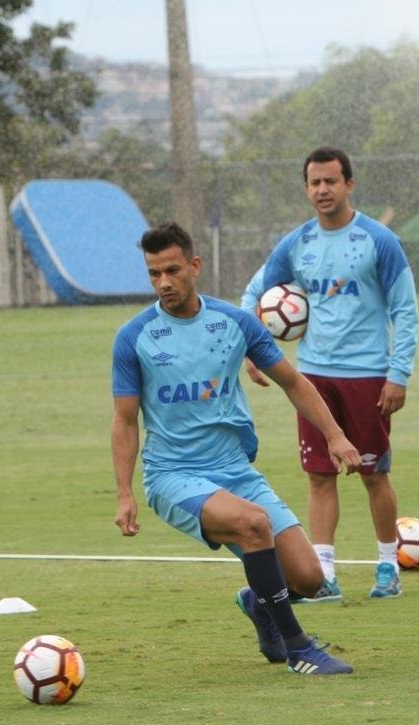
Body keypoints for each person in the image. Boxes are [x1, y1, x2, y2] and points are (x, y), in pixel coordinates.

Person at [112, 222, 358, 675]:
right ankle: (298, 647)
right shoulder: (134, 337)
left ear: (195, 266)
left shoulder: (236, 323)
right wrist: (125, 493)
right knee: (253, 524)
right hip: (172, 476)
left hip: (234, 469)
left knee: (310, 578)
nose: (163, 283)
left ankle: (258, 600)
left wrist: (335, 435)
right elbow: (125, 421)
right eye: (153, 274)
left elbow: (293, 382)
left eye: (172, 270)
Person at [241, 147, 419, 601]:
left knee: (373, 474)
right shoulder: (297, 243)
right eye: (314, 183)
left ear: (349, 184)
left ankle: (387, 566)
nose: (322, 190)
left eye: (331, 182)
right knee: (319, 477)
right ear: (306, 188)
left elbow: (406, 310)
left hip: (368, 377)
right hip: (312, 380)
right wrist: (248, 348)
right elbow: (254, 293)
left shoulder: (379, 240)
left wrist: (398, 373)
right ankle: (323, 575)